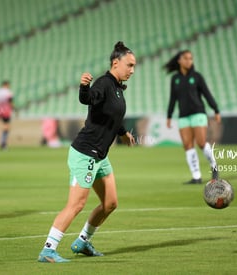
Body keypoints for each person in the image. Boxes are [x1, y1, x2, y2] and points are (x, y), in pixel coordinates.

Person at [38, 41, 136, 263]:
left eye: (134, 66)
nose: (132, 70)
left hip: (100, 156)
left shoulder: (118, 88)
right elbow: (88, 99)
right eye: (129, 65)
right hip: (86, 153)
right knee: (76, 204)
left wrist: (122, 133)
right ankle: (48, 249)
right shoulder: (103, 83)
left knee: (110, 203)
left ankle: (82, 241)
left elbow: (112, 116)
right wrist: (84, 86)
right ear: (115, 62)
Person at [164, 50, 221, 184]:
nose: (189, 61)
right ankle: (196, 176)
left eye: (191, 59)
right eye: (186, 58)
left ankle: (214, 166)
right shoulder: (175, 79)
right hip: (183, 116)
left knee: (201, 143)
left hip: (198, 113)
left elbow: (207, 94)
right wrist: (169, 116)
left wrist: (216, 109)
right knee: (188, 146)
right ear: (179, 60)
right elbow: (173, 98)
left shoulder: (197, 77)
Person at [0, 80, 14, 150]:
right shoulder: (8, 92)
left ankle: (3, 142)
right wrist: (14, 109)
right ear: (6, 85)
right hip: (6, 111)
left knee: (5, 126)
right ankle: (3, 143)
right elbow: (10, 101)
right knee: (7, 126)